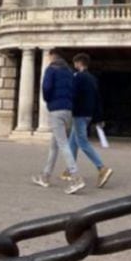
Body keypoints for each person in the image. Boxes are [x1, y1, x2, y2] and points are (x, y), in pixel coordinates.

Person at [32, 49, 85, 194]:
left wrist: (49, 100)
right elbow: (73, 91)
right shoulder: (69, 72)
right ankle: (45, 176)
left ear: (52, 57)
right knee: (54, 146)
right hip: (68, 110)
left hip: (56, 110)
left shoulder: (51, 69)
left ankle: (75, 178)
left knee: (63, 144)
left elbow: (46, 88)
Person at [63, 53, 113, 188]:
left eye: (75, 63)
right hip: (88, 114)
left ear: (79, 63)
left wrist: (67, 109)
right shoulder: (93, 78)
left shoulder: (78, 77)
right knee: (72, 142)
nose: (74, 66)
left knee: (82, 142)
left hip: (79, 113)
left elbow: (73, 95)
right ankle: (70, 169)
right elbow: (97, 99)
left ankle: (102, 168)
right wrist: (98, 117)